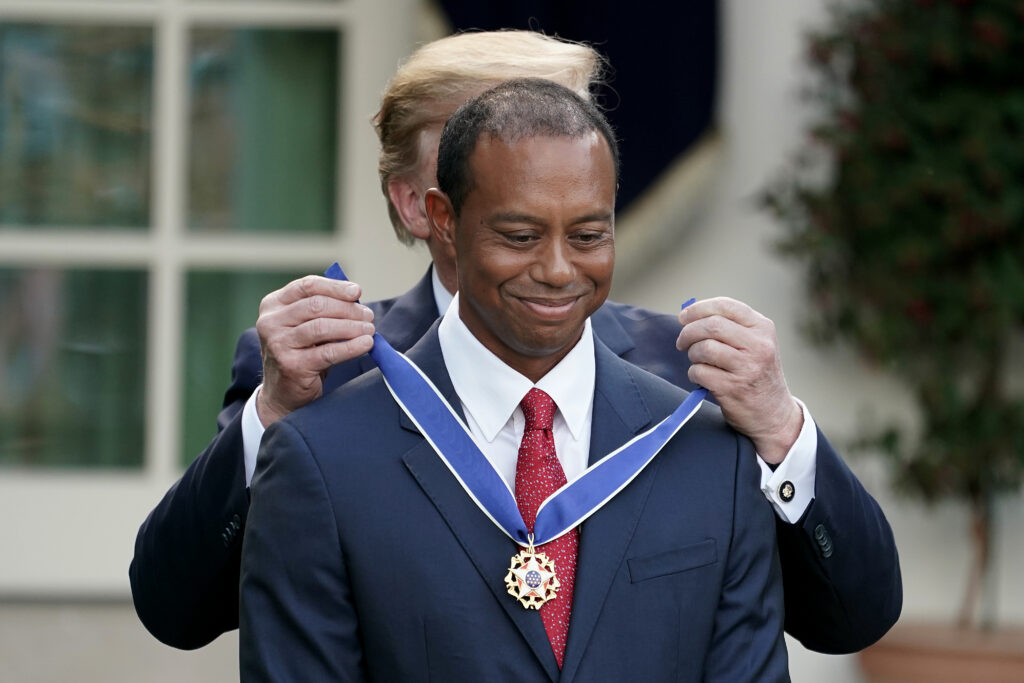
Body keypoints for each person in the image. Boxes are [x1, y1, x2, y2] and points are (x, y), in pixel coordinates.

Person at [130, 30, 901, 655]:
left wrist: (783, 430)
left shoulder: (685, 376)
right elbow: (176, 609)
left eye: (564, 124)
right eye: (501, 124)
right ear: (419, 202)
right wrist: (270, 413)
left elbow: (853, 619)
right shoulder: (323, 373)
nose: (547, 151)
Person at [240, 77, 789, 681]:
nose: (558, 270)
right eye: (521, 236)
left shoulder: (709, 453)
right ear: (443, 220)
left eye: (587, 236)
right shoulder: (320, 459)